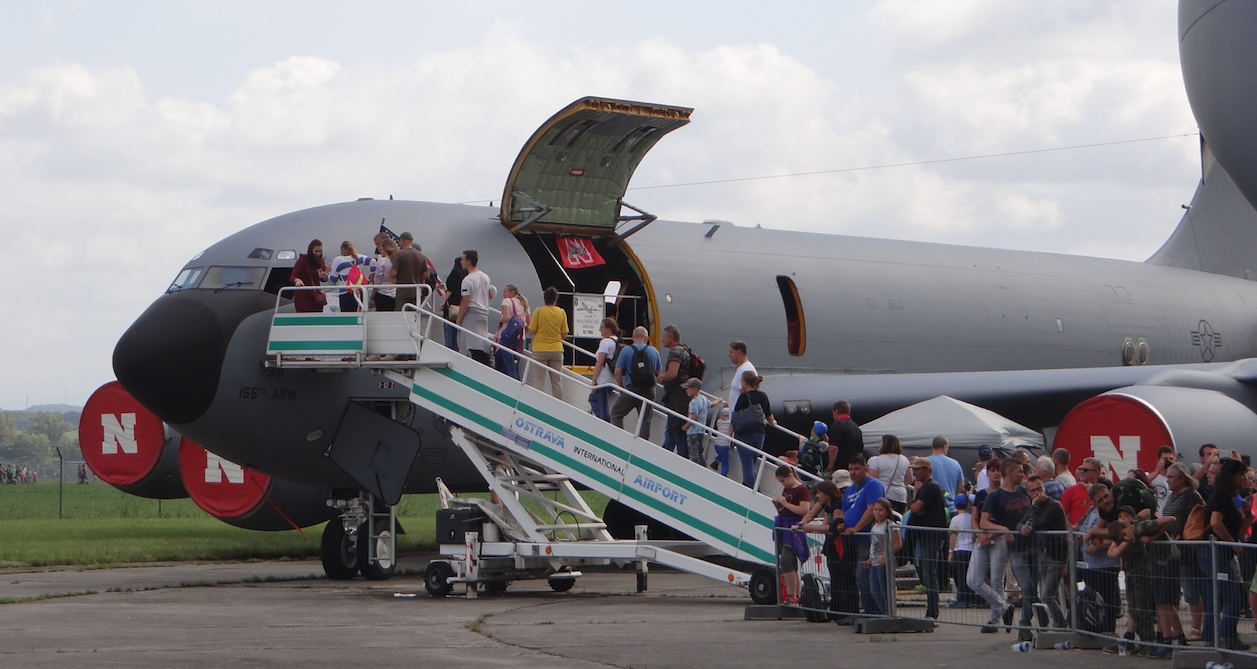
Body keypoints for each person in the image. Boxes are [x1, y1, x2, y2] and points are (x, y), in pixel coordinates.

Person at [1199, 458, 1253, 649]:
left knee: (1217, 598)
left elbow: (1236, 529)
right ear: (1232, 476)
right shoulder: (1221, 495)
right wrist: (1232, 544)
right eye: (1241, 475)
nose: (1245, 478)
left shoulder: (1226, 497)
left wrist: (1248, 518)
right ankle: (1225, 637)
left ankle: (1210, 639)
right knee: (1233, 596)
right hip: (1216, 553)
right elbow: (1215, 523)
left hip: (1216, 553)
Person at [982, 458, 1035, 640]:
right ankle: (1022, 624)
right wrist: (1003, 529)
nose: (1022, 474)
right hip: (1014, 547)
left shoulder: (1023, 491)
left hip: (1033, 545)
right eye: (1019, 471)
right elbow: (984, 521)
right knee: (1025, 586)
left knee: (1034, 588)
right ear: (1009, 473)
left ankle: (1031, 622)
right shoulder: (995, 496)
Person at [797, 477, 857, 620]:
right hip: (831, 543)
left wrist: (811, 528)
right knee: (834, 576)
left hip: (841, 544)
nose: (817, 496)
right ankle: (836, 608)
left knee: (844, 577)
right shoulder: (826, 505)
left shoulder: (838, 504)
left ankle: (847, 608)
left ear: (827, 494)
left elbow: (833, 526)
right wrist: (801, 524)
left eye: (819, 493)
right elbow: (812, 514)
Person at [969, 457, 1014, 634]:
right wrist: (980, 535)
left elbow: (1007, 521)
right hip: (981, 538)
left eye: (998, 470)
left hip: (999, 538)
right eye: (992, 470)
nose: (995, 473)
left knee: (996, 579)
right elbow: (974, 519)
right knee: (973, 580)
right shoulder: (980, 495)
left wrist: (992, 534)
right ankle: (1004, 607)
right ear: (987, 473)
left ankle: (994, 620)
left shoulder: (1006, 494)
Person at [1018, 475, 1068, 630]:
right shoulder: (1035, 507)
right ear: (1028, 492)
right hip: (1042, 554)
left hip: (1056, 555)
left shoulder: (1053, 505)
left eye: (1039, 488)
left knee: (1047, 595)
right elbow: (1021, 522)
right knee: (1047, 593)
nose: (1037, 492)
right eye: (1033, 490)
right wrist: (1022, 528)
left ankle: (1061, 624)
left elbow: (1039, 524)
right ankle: (1057, 622)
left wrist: (1033, 510)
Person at [1164, 462, 1204, 643]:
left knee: (1191, 591)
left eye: (1171, 477)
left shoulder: (1191, 496)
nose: (1167, 480)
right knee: (1173, 591)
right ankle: (1175, 627)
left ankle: (1196, 627)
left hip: (1187, 551)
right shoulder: (1173, 496)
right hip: (1172, 549)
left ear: (1182, 479)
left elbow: (1195, 521)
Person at [843, 456, 887, 616]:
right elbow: (845, 510)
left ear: (865, 469)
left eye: (856, 469)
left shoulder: (873, 485)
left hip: (867, 538)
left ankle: (874, 611)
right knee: (860, 578)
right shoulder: (849, 489)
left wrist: (856, 527)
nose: (853, 472)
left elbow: (871, 510)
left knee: (864, 577)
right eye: (850, 469)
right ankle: (869, 610)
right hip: (853, 540)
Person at [907, 457, 947, 620]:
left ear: (927, 470)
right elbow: (916, 508)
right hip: (926, 536)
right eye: (914, 469)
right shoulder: (927, 487)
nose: (915, 472)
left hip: (931, 536)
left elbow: (915, 507)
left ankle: (932, 611)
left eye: (918, 469)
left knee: (930, 573)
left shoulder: (931, 487)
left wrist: (917, 506)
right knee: (927, 572)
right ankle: (931, 610)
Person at [611, 326, 661, 439]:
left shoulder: (626, 350)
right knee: (645, 420)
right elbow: (658, 372)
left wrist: (621, 387)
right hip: (649, 390)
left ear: (633, 338)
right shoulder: (653, 351)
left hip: (632, 389)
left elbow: (617, 372)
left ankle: (620, 439)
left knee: (616, 413)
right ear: (646, 338)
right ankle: (642, 447)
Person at [771, 465, 811, 605]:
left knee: (787, 560)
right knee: (788, 562)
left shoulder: (802, 489)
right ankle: (794, 594)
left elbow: (804, 510)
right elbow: (785, 510)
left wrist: (786, 504)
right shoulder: (787, 489)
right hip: (784, 526)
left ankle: (792, 594)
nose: (782, 484)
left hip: (793, 529)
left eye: (783, 481)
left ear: (789, 476)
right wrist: (778, 506)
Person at [731, 372, 776, 488]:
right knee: (751, 464)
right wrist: (774, 423)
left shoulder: (743, 397)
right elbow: (769, 416)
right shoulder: (763, 396)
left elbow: (735, 418)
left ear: (745, 383)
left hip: (744, 433)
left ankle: (755, 492)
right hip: (759, 434)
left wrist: (728, 436)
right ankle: (754, 489)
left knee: (747, 466)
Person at [454, 250, 494, 365]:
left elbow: (465, 301)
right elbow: (490, 294)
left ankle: (474, 363)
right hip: (484, 313)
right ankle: (485, 361)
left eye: (463, 259)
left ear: (469, 261)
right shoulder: (485, 277)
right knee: (481, 340)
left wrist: (458, 319)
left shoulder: (468, 280)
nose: (461, 261)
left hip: (472, 313)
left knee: (468, 342)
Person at [864, 498, 903, 616]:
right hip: (875, 561)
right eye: (875, 509)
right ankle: (883, 612)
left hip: (885, 562)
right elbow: (874, 545)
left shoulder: (890, 525)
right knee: (874, 590)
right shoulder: (874, 525)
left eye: (880, 510)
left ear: (887, 511)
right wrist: (870, 559)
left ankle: (889, 613)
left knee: (884, 590)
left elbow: (897, 543)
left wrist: (886, 554)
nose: (877, 512)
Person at [526, 287, 567, 395]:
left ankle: (538, 406)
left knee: (539, 381)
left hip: (540, 350)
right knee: (557, 381)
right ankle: (558, 406)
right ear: (555, 299)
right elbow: (564, 334)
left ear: (544, 298)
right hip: (557, 349)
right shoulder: (561, 312)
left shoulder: (539, 311)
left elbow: (531, 331)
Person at [947, 495, 980, 608]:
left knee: (960, 576)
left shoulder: (955, 519)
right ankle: (970, 598)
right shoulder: (971, 518)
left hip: (959, 549)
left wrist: (950, 551)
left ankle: (961, 599)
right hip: (970, 549)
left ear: (955, 505)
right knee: (969, 575)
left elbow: (953, 536)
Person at [868, 435, 911, 513]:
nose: (879, 443)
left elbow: (872, 480)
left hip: (883, 495)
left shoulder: (877, 460)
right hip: (900, 496)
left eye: (881, 441)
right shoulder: (905, 460)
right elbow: (909, 480)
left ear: (885, 444)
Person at [588, 318, 619, 422]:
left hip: (603, 379)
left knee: (602, 405)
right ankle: (602, 420)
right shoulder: (617, 341)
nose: (599, 329)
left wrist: (594, 379)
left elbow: (600, 361)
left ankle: (605, 423)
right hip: (612, 379)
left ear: (609, 329)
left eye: (602, 327)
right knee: (592, 398)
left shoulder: (605, 342)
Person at [329, 241, 372, 313]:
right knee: (358, 315)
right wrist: (371, 276)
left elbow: (333, 279)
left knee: (347, 317)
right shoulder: (360, 257)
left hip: (345, 291)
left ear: (343, 249)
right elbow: (373, 261)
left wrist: (328, 273)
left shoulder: (338, 260)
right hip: (358, 291)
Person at [683, 378, 717, 465]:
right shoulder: (703, 398)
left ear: (695, 389)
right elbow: (712, 404)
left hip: (692, 432)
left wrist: (685, 426)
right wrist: (719, 400)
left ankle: (695, 469)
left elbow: (695, 416)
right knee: (699, 452)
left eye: (688, 388)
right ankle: (702, 466)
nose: (686, 390)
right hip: (701, 431)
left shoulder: (693, 403)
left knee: (693, 453)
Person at [391, 232, 429, 311]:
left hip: (402, 292)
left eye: (400, 241)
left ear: (403, 240)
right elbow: (426, 274)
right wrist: (417, 276)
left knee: (400, 315)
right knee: (414, 317)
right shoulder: (421, 255)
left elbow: (393, 274)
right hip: (416, 292)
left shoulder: (399, 254)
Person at [289, 239, 329, 313]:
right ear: (311, 250)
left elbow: (323, 279)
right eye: (316, 251)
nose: (318, 253)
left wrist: (324, 277)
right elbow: (293, 275)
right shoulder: (302, 261)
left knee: (317, 317)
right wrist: (297, 280)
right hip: (303, 296)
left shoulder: (321, 261)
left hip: (316, 296)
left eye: (320, 251)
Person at [1060, 457, 1102, 525]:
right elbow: (1060, 513)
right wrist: (1071, 529)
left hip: (1095, 532)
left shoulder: (1103, 491)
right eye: (1080, 469)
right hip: (1076, 533)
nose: (1081, 472)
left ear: (1096, 473)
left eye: (1085, 470)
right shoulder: (1071, 490)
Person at [828, 401, 863, 473]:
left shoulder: (837, 425)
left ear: (836, 411)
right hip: (853, 468)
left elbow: (833, 447)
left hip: (841, 467)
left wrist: (830, 466)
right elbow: (860, 451)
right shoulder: (856, 427)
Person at [441, 257, 466, 350]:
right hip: (460, 305)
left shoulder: (454, 272)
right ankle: (456, 349)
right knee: (455, 331)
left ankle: (449, 349)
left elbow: (450, 289)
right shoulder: (465, 274)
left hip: (451, 305)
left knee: (449, 331)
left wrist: (443, 302)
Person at [372, 237, 398, 312]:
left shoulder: (382, 261)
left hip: (382, 295)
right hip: (395, 294)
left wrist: (372, 297)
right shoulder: (397, 260)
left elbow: (377, 281)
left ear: (384, 249)